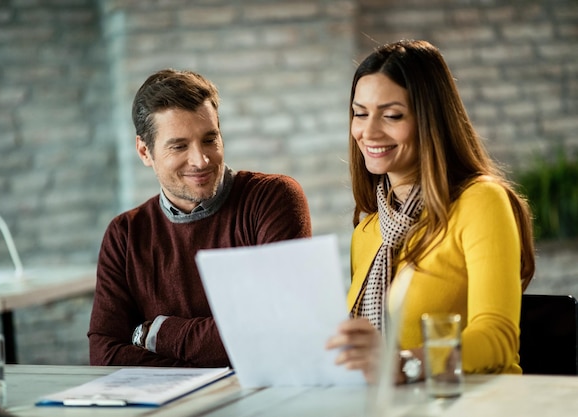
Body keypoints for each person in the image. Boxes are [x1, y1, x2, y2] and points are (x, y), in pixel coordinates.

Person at [325, 40, 535, 384]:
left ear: (430, 120)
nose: (369, 131)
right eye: (360, 113)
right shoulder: (367, 232)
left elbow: (497, 339)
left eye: (392, 115)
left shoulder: (481, 201)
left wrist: (404, 363)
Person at [88, 69, 312, 367]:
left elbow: (277, 329)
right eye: (179, 146)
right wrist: (209, 363)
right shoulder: (125, 234)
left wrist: (156, 333)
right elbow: (105, 355)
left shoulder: (272, 199)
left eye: (210, 139)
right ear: (144, 151)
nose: (201, 160)